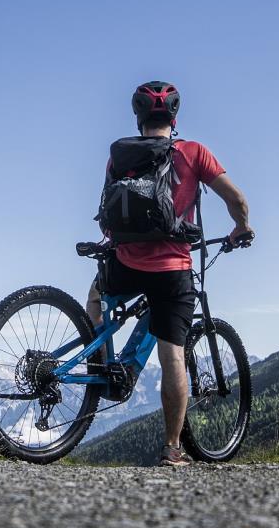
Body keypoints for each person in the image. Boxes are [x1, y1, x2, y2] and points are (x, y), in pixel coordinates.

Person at [87, 81, 252, 467]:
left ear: (139, 117)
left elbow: (107, 212)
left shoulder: (120, 155)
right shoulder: (194, 152)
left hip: (124, 263)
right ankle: (173, 449)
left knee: (95, 296)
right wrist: (242, 227)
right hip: (172, 268)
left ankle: (100, 363)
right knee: (172, 355)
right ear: (174, 117)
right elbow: (237, 200)